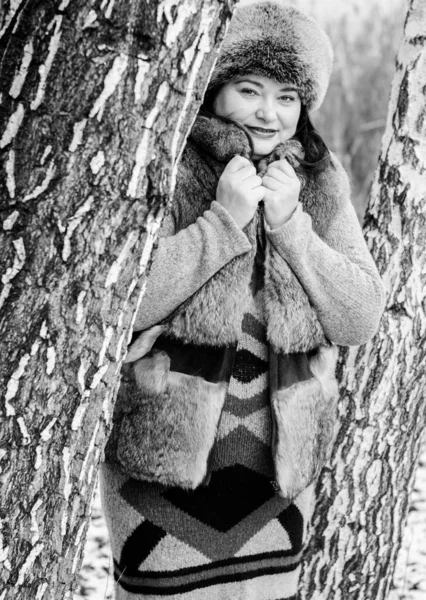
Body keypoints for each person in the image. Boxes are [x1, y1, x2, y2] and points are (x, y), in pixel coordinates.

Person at [100, 3, 385, 599]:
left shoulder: (317, 177)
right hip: (161, 468)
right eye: (248, 89)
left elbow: (359, 316)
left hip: (277, 477)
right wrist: (221, 224)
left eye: (286, 97)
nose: (268, 113)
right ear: (214, 86)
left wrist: (293, 229)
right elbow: (120, 304)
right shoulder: (170, 161)